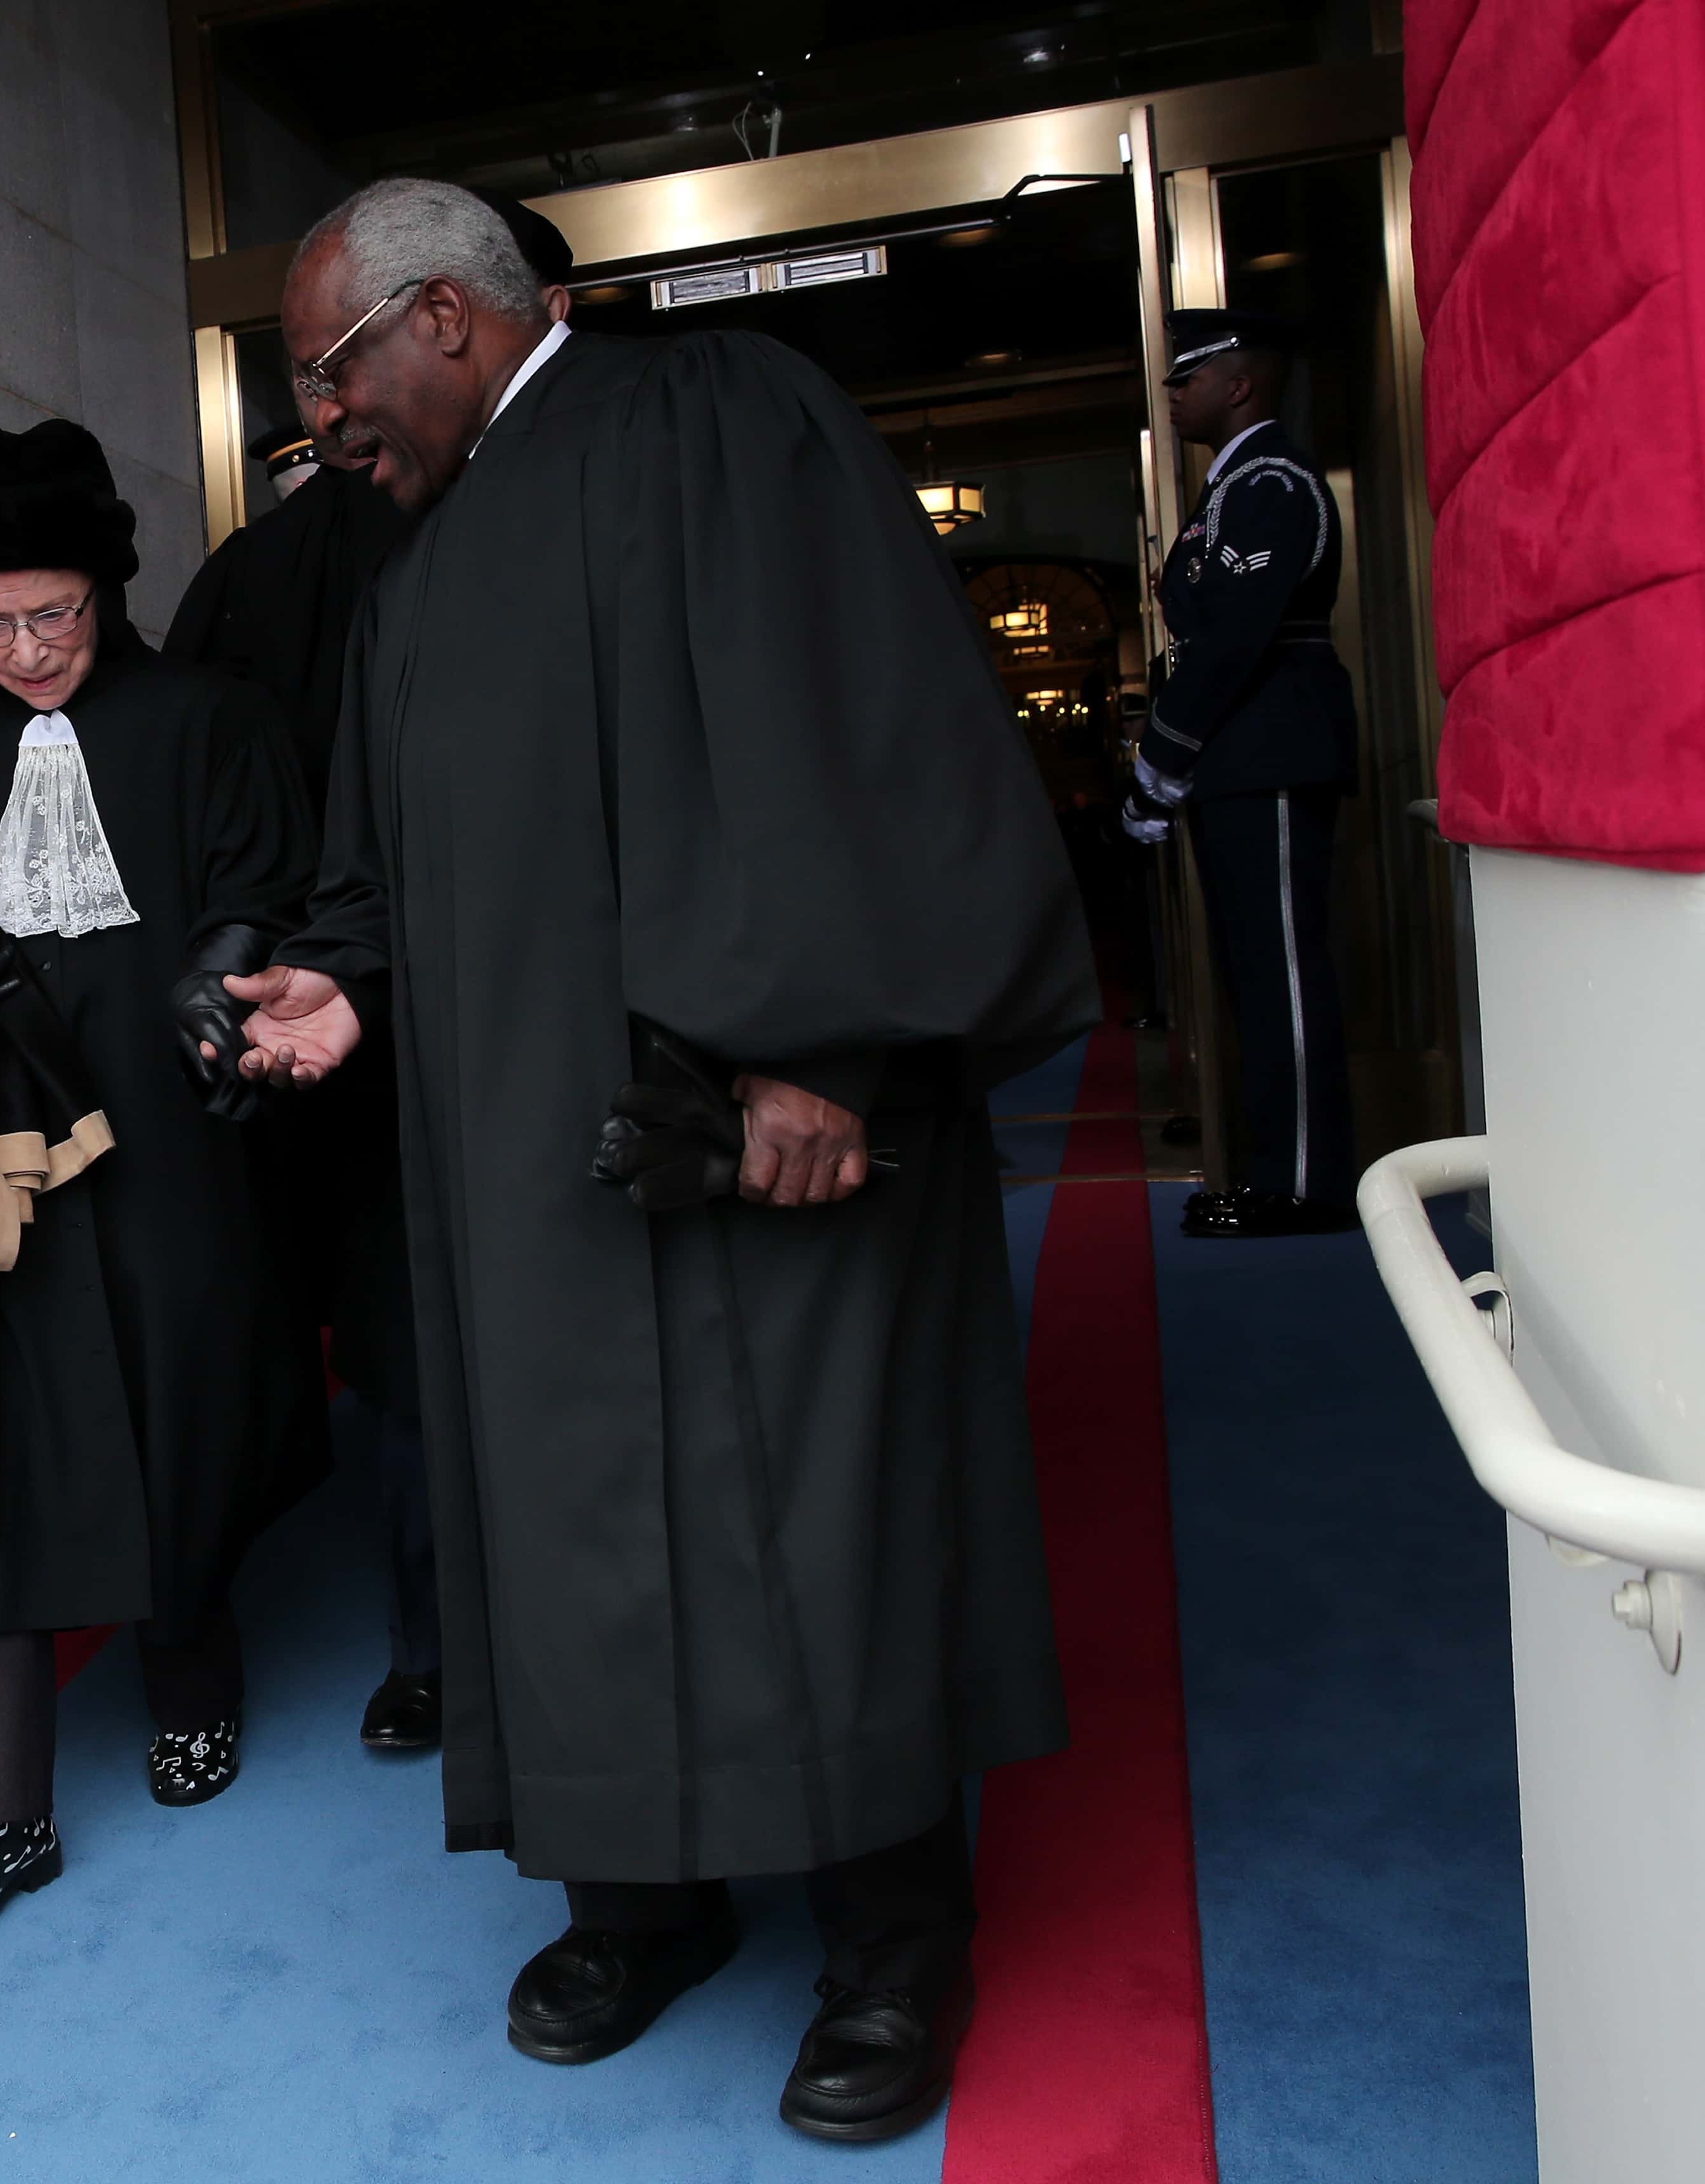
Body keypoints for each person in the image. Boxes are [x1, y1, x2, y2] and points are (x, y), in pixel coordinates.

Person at [214, 179, 1095, 2142]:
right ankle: (647, 1897)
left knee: (818, 1519)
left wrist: (816, 1048)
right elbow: (396, 867)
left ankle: (891, 1939)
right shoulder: (411, 573)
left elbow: (841, 733)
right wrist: (341, 986)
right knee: (574, 1535)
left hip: (764, 1135)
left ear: (446, 316)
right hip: (532, 1173)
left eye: (329, 374)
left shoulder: (715, 414)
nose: (325, 425)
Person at [0, 419, 326, 1959]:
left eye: (59, 616)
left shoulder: (212, 719)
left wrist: (219, 978)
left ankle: (192, 1682)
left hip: (169, 1152)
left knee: (182, 1426)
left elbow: (269, 891)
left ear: (109, 589)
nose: (29, 651)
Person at [157, 185, 578, 1754]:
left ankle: (457, 1659)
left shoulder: (547, 516)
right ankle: (450, 1650)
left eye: (339, 371)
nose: (335, 413)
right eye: (319, 385)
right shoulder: (286, 574)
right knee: (414, 1354)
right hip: (375, 1028)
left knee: (452, 1350)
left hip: (460, 1016)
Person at [1121, 309, 1361, 1239]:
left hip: (1271, 749)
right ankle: (1280, 1172)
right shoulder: (1234, 486)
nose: (1175, 392)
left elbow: (1228, 641)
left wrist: (1160, 762)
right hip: (1244, 754)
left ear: (1242, 382)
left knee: (1284, 974)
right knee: (1256, 973)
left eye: (1190, 374)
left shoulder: (1270, 483)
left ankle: (1305, 1184)